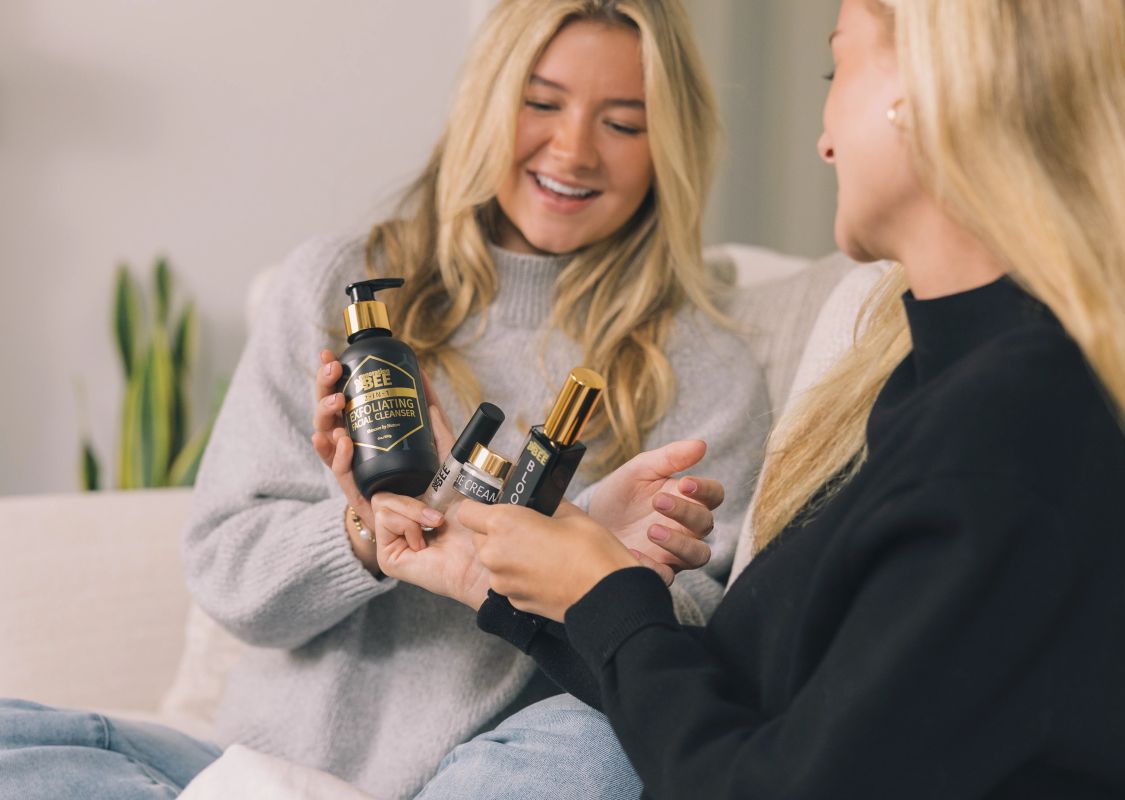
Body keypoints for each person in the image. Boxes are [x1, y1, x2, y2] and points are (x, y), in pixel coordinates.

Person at [399, 0, 1125, 796]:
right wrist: (521, 581)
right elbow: (743, 706)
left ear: (929, 89)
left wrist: (607, 593)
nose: (821, 142)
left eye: (835, 65)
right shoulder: (927, 383)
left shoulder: (1015, 437)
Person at [0, 1, 768, 798]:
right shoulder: (335, 287)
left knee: (603, 744)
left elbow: (693, 675)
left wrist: (598, 572)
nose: (572, 150)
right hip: (253, 771)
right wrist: (363, 534)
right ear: (485, 102)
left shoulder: (708, 369)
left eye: (624, 122)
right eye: (540, 103)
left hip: (495, 777)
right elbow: (229, 576)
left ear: (669, 144)